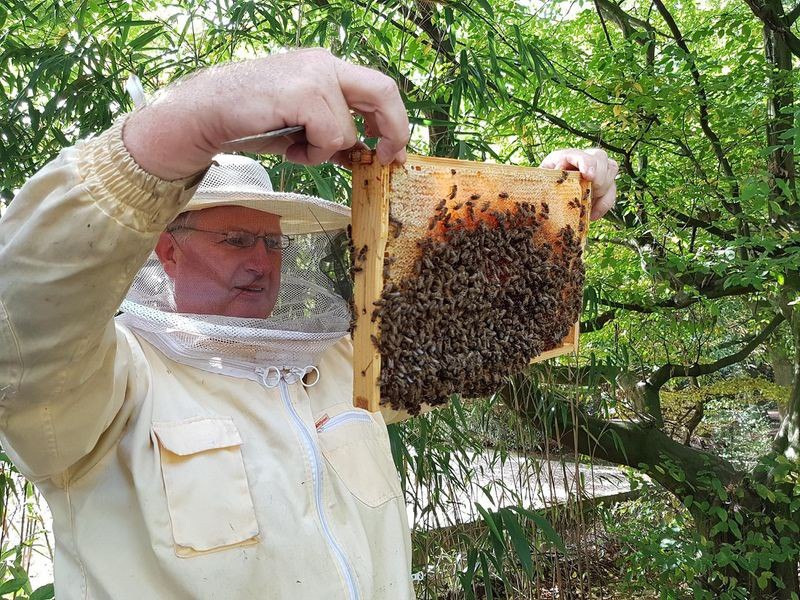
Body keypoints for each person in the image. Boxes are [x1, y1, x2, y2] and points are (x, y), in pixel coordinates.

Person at [0, 48, 618, 599]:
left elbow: (487, 328)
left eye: (272, 244)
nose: (262, 263)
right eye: (238, 240)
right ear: (166, 250)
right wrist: (191, 119)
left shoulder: (340, 367)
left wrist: (551, 215)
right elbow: (26, 313)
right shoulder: (104, 386)